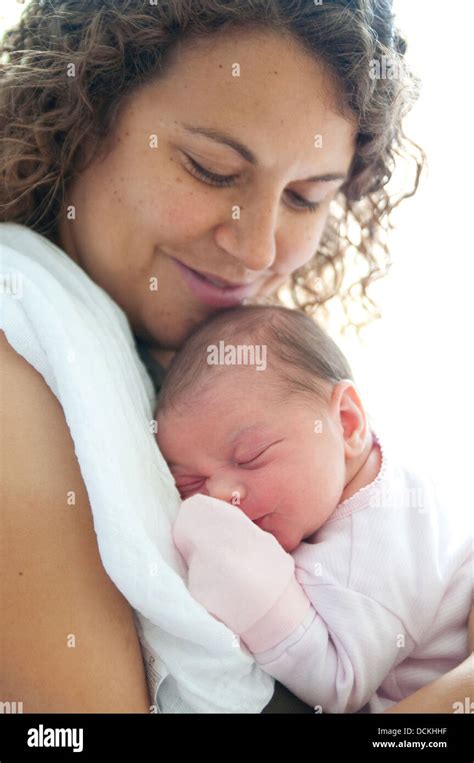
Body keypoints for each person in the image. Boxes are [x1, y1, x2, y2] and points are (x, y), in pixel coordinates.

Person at [0, 0, 471, 713]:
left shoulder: (215, 378)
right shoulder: (16, 356)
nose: (256, 251)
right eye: (211, 169)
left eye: (307, 197)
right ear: (78, 117)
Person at [155, 304, 471, 713]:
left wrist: (232, 567)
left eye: (251, 456)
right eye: (191, 485)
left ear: (346, 422)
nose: (220, 498)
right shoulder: (354, 483)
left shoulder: (375, 537)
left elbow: (340, 684)